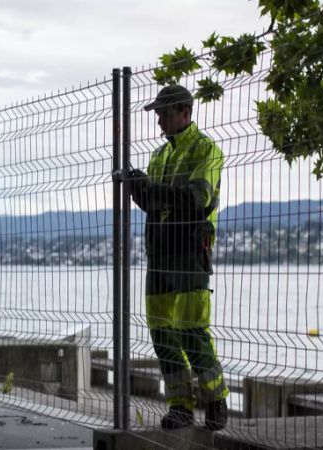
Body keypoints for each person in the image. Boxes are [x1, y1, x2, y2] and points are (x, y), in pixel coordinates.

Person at [128, 85, 229, 430]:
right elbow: (153, 203)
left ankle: (216, 400)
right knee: (162, 335)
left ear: (185, 112)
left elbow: (196, 200)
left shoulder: (207, 151)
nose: (159, 120)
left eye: (164, 113)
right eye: (157, 114)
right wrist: (138, 186)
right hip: (158, 254)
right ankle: (180, 407)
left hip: (189, 253)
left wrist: (149, 190)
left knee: (191, 332)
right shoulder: (159, 156)